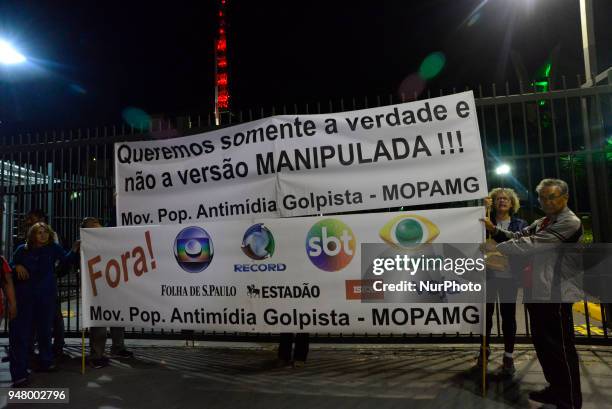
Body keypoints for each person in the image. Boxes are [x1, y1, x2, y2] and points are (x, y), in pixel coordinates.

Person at [482, 178, 583, 409]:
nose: (546, 201)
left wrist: (494, 246)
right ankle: (555, 390)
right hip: (537, 289)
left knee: (561, 349)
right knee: (544, 345)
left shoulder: (569, 222)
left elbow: (529, 244)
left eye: (552, 197)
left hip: (556, 293)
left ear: (564, 198)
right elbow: (518, 237)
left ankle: (569, 401)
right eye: (543, 197)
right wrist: (494, 230)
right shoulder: (542, 221)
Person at [9, 222, 79, 387]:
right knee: (24, 333)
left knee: (45, 330)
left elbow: (66, 261)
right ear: (33, 234)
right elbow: (10, 266)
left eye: (45, 232)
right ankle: (22, 369)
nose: (43, 235)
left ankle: (45, 361)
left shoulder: (53, 248)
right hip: (25, 297)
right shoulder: (22, 249)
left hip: (46, 296)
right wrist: (16, 265)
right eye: (39, 232)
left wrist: (74, 250)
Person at [478, 188, 528, 376]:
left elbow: (520, 246)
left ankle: (508, 355)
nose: (502, 201)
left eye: (506, 199)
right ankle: (484, 350)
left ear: (512, 203)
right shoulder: (484, 220)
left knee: (508, 317)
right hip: (488, 276)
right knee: (486, 315)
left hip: (509, 277)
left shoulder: (519, 223)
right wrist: (483, 210)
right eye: (498, 198)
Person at [81, 217, 133, 368]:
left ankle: (118, 347)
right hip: (96, 288)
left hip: (114, 285)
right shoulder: (84, 243)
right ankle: (97, 355)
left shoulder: (111, 239)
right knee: (99, 323)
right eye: (92, 226)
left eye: (98, 224)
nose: (97, 227)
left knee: (118, 319)